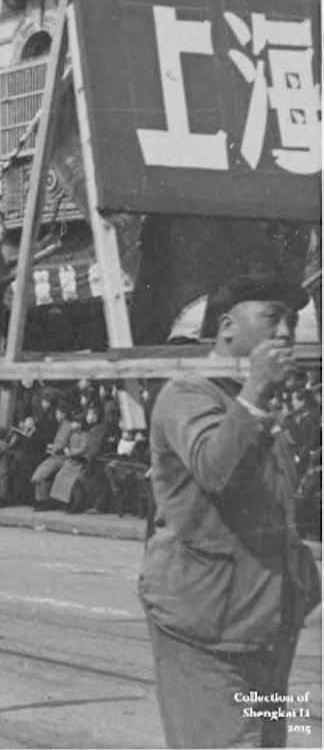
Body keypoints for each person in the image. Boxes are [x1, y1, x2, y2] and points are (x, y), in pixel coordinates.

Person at [141, 272, 320, 748]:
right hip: (207, 629)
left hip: (265, 623)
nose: (285, 332)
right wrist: (256, 391)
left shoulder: (248, 399)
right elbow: (214, 468)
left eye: (290, 321)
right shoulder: (188, 393)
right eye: (272, 318)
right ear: (227, 328)